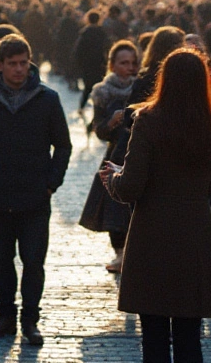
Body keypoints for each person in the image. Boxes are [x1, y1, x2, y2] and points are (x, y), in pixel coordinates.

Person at [99, 48, 211, 363]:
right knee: (189, 339)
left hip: (153, 234)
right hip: (196, 234)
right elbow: (208, 184)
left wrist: (111, 179)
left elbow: (130, 187)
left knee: (154, 337)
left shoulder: (148, 120)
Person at [0, 34, 71, 345]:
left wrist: (52, 182)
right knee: (1, 260)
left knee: (34, 262)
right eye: (13, 64)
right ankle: (6, 315)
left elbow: (62, 145)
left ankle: (31, 319)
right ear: (0, 65)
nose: (19, 70)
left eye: (24, 63)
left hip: (35, 195)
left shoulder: (47, 99)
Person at [78, 39, 139, 272]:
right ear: (112, 65)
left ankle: (134, 253)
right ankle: (120, 254)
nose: (129, 67)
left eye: (133, 62)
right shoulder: (102, 92)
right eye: (124, 63)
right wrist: (111, 121)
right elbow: (99, 130)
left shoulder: (141, 87)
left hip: (138, 152)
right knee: (113, 207)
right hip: (115, 153)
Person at [73, 10, 111, 113]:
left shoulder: (84, 33)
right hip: (99, 64)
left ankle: (81, 107)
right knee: (99, 87)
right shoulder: (102, 32)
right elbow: (107, 48)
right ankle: (97, 109)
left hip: (87, 65)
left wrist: (79, 64)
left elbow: (78, 50)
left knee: (88, 88)